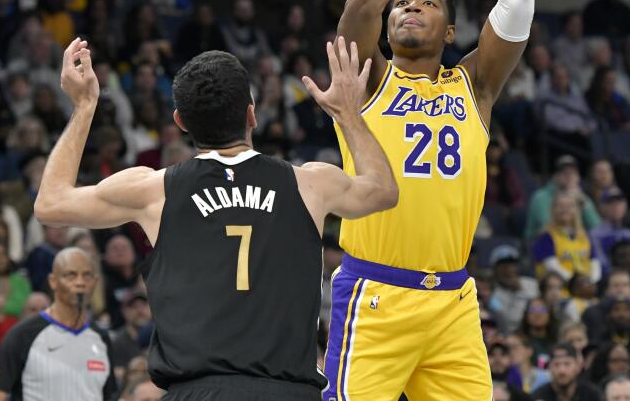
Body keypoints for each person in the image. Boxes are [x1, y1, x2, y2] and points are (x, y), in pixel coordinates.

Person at [32, 37, 398, 399]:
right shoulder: (311, 183)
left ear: (181, 122)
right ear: (251, 113)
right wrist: (348, 114)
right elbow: (383, 190)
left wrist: (84, 106)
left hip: (197, 391)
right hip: (288, 391)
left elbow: (50, 204)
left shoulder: (152, 189)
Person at [324, 0, 534, 401]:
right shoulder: (366, 82)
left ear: (452, 30)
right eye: (404, 2)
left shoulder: (475, 87)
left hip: (453, 302)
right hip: (376, 294)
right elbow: (364, 2)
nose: (410, 6)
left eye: (429, 2)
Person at [0, 248, 117, 400]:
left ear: (95, 282)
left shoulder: (101, 339)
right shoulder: (23, 335)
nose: (80, 282)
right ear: (53, 281)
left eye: (87, 275)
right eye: (71, 275)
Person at [526, 155, 600, 240]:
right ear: (555, 176)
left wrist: (582, 202)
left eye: (573, 173)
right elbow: (548, 226)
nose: (569, 176)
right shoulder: (540, 197)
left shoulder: (582, 197)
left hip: (573, 245)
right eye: (564, 173)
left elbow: (597, 229)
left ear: (578, 177)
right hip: (540, 243)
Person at [532, 191, 600, 283]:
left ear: (576, 210)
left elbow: (595, 263)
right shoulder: (545, 237)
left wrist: (591, 282)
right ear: (552, 210)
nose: (565, 209)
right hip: (558, 292)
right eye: (560, 206)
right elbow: (552, 266)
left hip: (585, 290)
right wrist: (575, 283)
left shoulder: (586, 236)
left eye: (570, 206)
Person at [530, 342, 602, 401]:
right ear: (549, 368)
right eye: (556, 364)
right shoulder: (538, 397)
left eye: (567, 364)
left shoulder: (592, 395)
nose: (562, 370)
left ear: (578, 366)